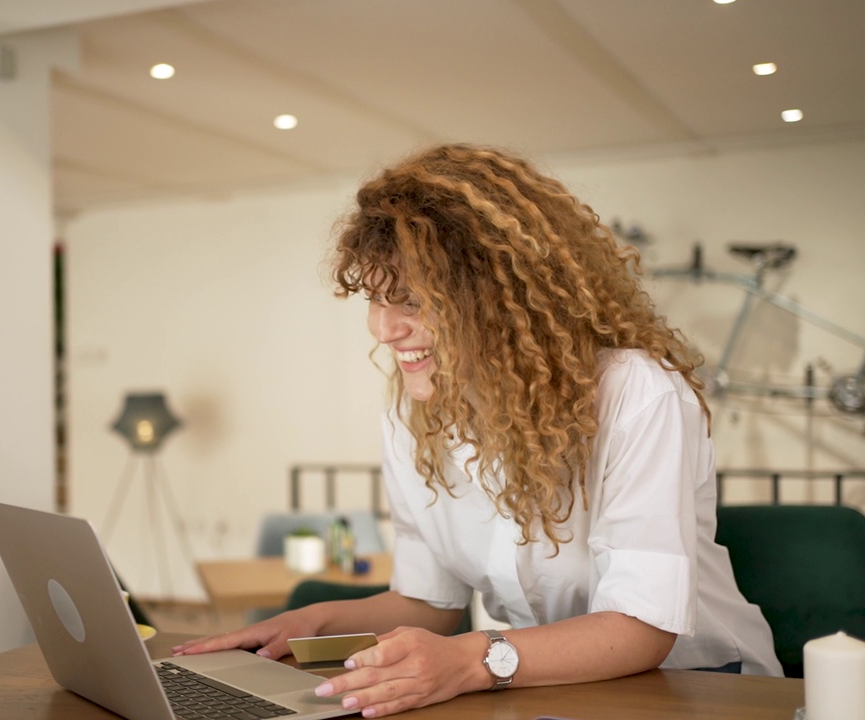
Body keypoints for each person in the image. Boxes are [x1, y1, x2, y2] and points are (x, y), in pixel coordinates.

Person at [173, 143, 781, 717]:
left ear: (493, 297)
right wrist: (313, 623)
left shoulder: (635, 392)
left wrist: (470, 658)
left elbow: (640, 629)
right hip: (534, 684)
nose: (383, 330)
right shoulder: (414, 414)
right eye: (375, 300)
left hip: (698, 686)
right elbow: (429, 605)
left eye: (410, 301)